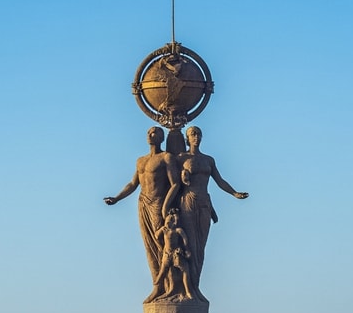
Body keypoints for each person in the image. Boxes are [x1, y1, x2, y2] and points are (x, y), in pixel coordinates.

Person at [165, 125, 247, 301]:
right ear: (187, 138)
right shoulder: (181, 158)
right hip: (188, 202)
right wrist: (168, 207)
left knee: (199, 248)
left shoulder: (208, 160)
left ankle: (195, 287)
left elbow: (220, 181)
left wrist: (234, 193)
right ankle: (185, 288)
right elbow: (174, 185)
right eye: (193, 134)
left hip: (204, 203)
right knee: (190, 246)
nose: (196, 136)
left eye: (198, 134)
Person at [104, 127, 183, 301]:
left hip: (158, 203)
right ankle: (158, 286)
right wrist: (117, 198)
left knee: (164, 246)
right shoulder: (141, 161)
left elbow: (175, 184)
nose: (149, 135)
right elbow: (133, 184)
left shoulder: (166, 158)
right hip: (143, 204)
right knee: (150, 247)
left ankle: (172, 286)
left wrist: (165, 207)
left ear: (162, 137)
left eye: (154, 132)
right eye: (148, 132)